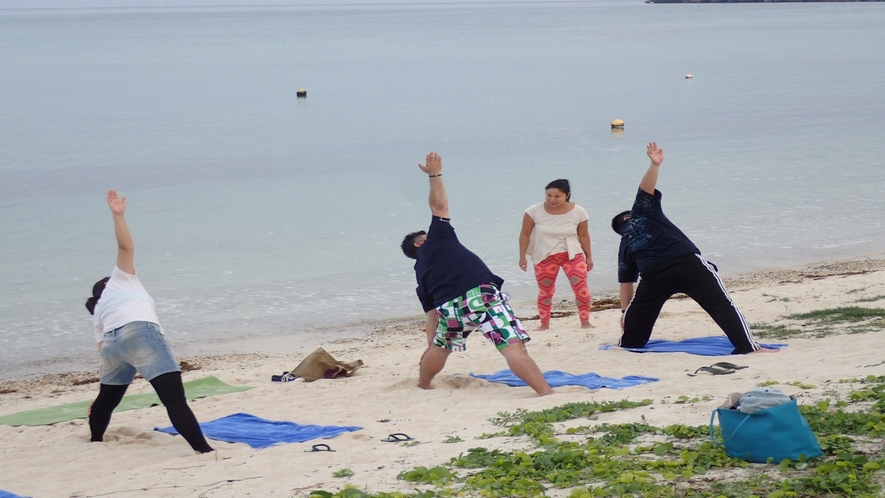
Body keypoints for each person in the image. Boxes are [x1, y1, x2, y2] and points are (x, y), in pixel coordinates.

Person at [400, 152, 555, 396]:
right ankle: (546, 393)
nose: (429, 234)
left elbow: (431, 316)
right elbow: (439, 206)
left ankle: (424, 385)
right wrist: (435, 175)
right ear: (419, 243)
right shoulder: (436, 240)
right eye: (424, 235)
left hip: (449, 309)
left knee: (440, 349)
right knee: (513, 348)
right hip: (479, 296)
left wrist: (430, 347)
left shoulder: (421, 275)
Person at [611, 143, 775, 355]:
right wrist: (655, 165)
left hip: (654, 275)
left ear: (618, 229)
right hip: (688, 264)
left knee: (634, 332)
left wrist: (625, 312)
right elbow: (645, 189)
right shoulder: (642, 211)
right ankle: (749, 347)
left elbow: (626, 282)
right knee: (722, 307)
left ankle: (629, 344)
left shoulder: (624, 244)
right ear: (628, 216)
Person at [85, 190, 215, 453]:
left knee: (106, 399)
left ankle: (96, 440)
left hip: (112, 344)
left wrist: (111, 374)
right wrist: (118, 215)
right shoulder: (122, 280)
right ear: (109, 283)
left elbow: (104, 351)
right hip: (139, 332)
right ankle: (204, 450)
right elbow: (125, 247)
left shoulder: (100, 311)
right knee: (174, 400)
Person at [519, 179, 594, 330]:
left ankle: (585, 321)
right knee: (545, 291)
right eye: (549, 195)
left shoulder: (579, 211)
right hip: (544, 255)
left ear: (567, 195)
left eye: (557, 196)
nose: (552, 199)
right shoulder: (533, 211)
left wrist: (589, 257)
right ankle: (544, 324)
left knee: (581, 288)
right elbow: (525, 234)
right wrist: (522, 257)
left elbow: (584, 235)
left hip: (572, 254)